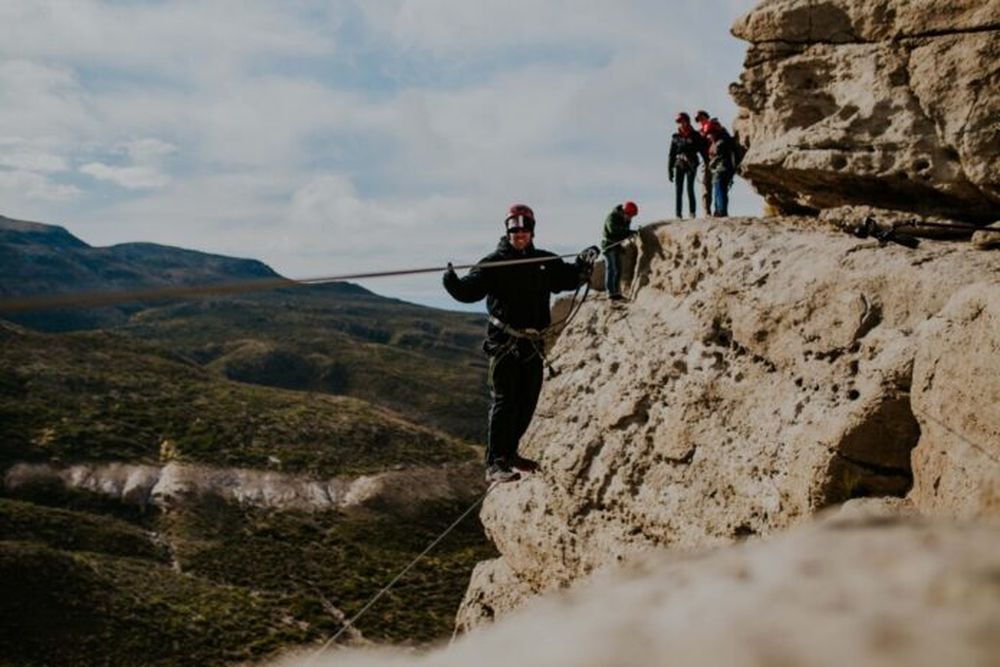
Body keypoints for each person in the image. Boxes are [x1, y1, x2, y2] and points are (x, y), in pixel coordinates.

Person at [443, 204, 597, 483]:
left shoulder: (543, 261)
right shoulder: (494, 264)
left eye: (524, 230)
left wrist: (583, 265)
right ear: (508, 231)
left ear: (532, 231)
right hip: (505, 343)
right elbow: (468, 291)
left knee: (527, 402)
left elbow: (568, 278)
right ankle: (495, 463)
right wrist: (452, 282)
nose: (520, 234)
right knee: (505, 402)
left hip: (532, 345)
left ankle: (510, 453)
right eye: (515, 230)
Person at [668, 113, 703, 219]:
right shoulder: (675, 137)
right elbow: (671, 154)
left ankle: (692, 213)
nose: (681, 124)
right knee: (678, 190)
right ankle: (678, 214)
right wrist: (669, 169)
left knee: (690, 188)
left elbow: (702, 150)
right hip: (679, 164)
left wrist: (706, 163)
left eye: (682, 121)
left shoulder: (695, 135)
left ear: (687, 121)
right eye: (679, 122)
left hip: (691, 163)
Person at [601, 200, 639, 301]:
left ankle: (616, 292)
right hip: (609, 246)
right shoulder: (612, 217)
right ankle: (610, 292)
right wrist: (629, 232)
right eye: (630, 216)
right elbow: (613, 230)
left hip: (617, 247)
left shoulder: (626, 220)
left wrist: (630, 234)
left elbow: (624, 233)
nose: (630, 218)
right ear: (625, 212)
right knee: (611, 268)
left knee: (618, 269)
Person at [706, 118, 736, 217]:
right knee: (718, 190)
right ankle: (718, 211)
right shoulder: (719, 140)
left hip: (723, 168)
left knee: (720, 190)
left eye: (710, 134)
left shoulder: (723, 140)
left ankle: (721, 211)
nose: (709, 136)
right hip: (719, 169)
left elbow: (720, 155)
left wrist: (711, 163)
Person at [695, 110, 714, 216]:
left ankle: (720, 210)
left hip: (716, 160)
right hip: (706, 162)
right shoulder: (699, 133)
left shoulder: (715, 127)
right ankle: (707, 211)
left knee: (718, 186)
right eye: (698, 120)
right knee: (706, 186)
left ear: (706, 117)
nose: (700, 121)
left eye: (702, 118)